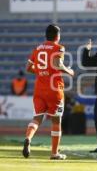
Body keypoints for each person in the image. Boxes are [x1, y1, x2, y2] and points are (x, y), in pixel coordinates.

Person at [23, 24, 74, 160]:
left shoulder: (37, 48)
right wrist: (69, 71)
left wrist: (41, 72)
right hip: (54, 89)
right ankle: (54, 153)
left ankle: (28, 138)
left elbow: (28, 67)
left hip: (39, 89)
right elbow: (58, 65)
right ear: (58, 36)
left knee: (37, 118)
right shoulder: (59, 48)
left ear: (46, 35)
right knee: (56, 121)